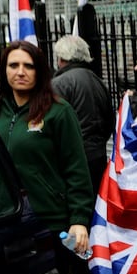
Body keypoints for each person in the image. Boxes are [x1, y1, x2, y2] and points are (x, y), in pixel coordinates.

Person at [0, 41, 94, 274]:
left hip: (49, 224)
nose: (20, 71)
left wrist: (78, 219)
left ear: (40, 71)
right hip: (4, 222)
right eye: (13, 65)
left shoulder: (59, 111)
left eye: (29, 65)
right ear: (4, 70)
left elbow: (76, 168)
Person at [52, 35, 115, 196]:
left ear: (61, 58)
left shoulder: (59, 84)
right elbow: (110, 120)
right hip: (98, 155)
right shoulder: (98, 81)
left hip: (73, 160)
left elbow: (54, 124)